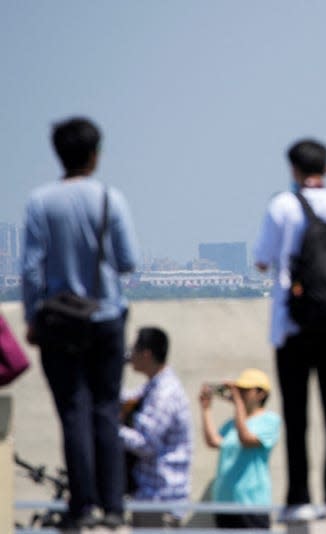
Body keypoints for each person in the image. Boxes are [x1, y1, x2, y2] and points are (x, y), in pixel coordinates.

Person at [21, 117, 139, 529]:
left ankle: (82, 506)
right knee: (106, 411)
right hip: (105, 316)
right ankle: (114, 507)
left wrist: (32, 316)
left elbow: (32, 269)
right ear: (95, 155)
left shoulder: (40, 202)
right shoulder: (110, 199)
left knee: (72, 413)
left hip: (59, 322)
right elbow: (128, 261)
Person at [253, 138, 326, 522]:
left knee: (297, 416)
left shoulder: (282, 206)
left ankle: (299, 497)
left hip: (292, 326)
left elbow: (261, 260)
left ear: (293, 169)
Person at [120, 327, 192, 528]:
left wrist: (111, 430)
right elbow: (128, 399)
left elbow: (146, 444)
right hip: (151, 498)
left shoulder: (164, 394)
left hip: (160, 500)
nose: (130, 355)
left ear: (146, 354)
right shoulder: (154, 387)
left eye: (133, 350)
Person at [200, 368, 281, 529]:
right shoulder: (233, 423)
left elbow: (246, 439)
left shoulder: (270, 420)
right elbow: (214, 441)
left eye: (245, 390)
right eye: (239, 390)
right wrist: (206, 409)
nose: (240, 393)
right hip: (224, 502)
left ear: (261, 393)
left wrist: (237, 403)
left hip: (251, 503)